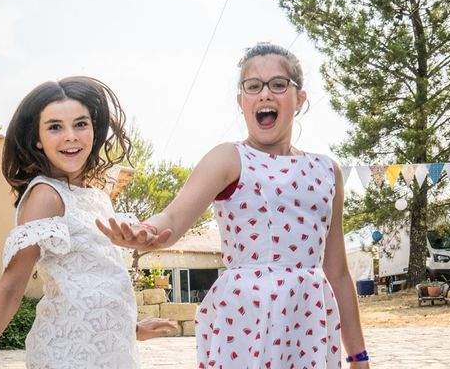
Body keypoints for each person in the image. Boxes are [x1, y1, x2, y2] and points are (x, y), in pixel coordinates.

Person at [97, 44, 370, 368]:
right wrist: (147, 230)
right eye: (253, 86)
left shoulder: (328, 170)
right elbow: (173, 216)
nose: (265, 94)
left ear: (299, 99)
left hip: (309, 316)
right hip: (247, 316)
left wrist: (358, 355)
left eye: (278, 84)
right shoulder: (229, 158)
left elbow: (337, 271)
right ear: (241, 100)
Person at [0, 76, 174, 369]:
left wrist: (133, 329)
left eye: (80, 124)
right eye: (55, 127)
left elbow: (94, 277)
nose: (70, 136)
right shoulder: (46, 195)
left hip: (111, 353)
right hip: (68, 356)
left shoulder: (97, 197)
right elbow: (12, 286)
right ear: (38, 138)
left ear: (93, 130)